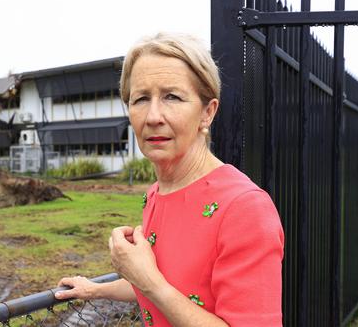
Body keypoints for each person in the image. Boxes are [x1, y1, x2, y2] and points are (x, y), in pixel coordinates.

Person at [55, 32, 284, 326]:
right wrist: (96, 289)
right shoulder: (156, 193)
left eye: (172, 97)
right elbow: (161, 282)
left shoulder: (244, 208)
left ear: (207, 113)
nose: (153, 116)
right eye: (140, 99)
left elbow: (154, 284)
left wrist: (149, 282)